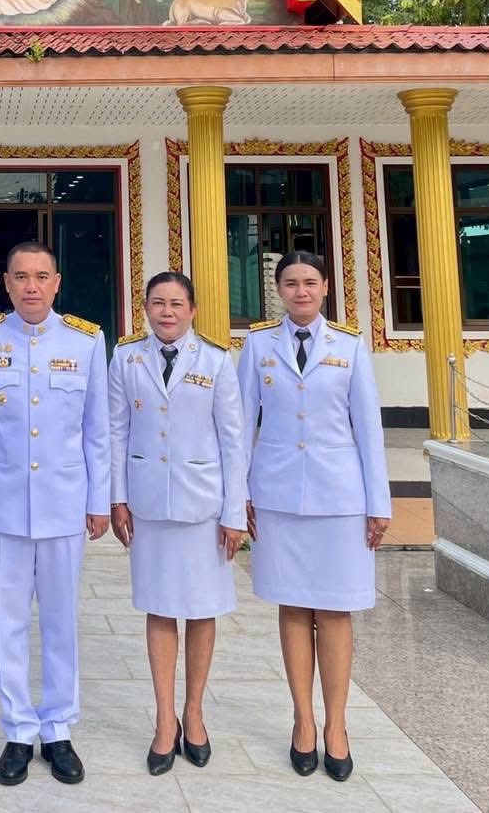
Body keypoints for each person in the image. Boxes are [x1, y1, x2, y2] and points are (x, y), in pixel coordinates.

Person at [0, 241, 110, 788]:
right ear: (5, 282)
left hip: (65, 503)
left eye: (41, 276)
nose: (31, 286)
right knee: (9, 623)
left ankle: (59, 728)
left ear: (57, 282)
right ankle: (19, 729)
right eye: (21, 276)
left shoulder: (87, 342)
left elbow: (98, 430)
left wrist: (99, 501)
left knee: (62, 622)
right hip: (2, 506)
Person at [238, 251, 391, 783]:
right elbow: (241, 426)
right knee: (294, 608)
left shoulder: (348, 346)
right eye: (289, 283)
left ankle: (337, 726)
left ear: (325, 287)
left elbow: (368, 428)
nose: (300, 292)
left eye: (309, 282)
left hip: (340, 497)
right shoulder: (257, 345)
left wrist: (379, 502)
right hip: (278, 495)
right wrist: (239, 496)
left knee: (337, 609)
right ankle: (303, 721)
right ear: (276, 290)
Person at [108, 271, 247, 775]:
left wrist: (235, 511)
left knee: (202, 609)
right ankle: (164, 718)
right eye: (157, 303)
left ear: (193, 308)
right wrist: (117, 499)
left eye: (176, 304)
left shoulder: (215, 359)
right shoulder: (126, 356)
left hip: (202, 506)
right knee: (160, 609)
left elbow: (234, 440)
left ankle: (194, 713)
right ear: (144, 308)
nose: (166, 312)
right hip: (148, 504)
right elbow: (116, 430)